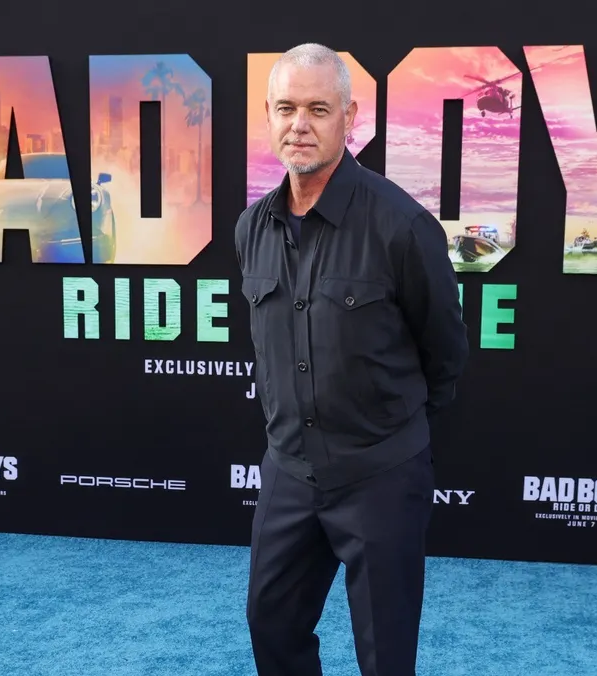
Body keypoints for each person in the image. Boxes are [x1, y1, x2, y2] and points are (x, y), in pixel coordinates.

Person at [235, 43, 469, 676]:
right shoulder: (251, 228)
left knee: (384, 654)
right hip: (289, 471)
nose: (299, 124)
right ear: (267, 115)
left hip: (380, 475)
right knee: (271, 625)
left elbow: (444, 351)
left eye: (318, 109)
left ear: (349, 116)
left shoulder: (402, 226)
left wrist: (392, 433)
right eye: (286, 108)